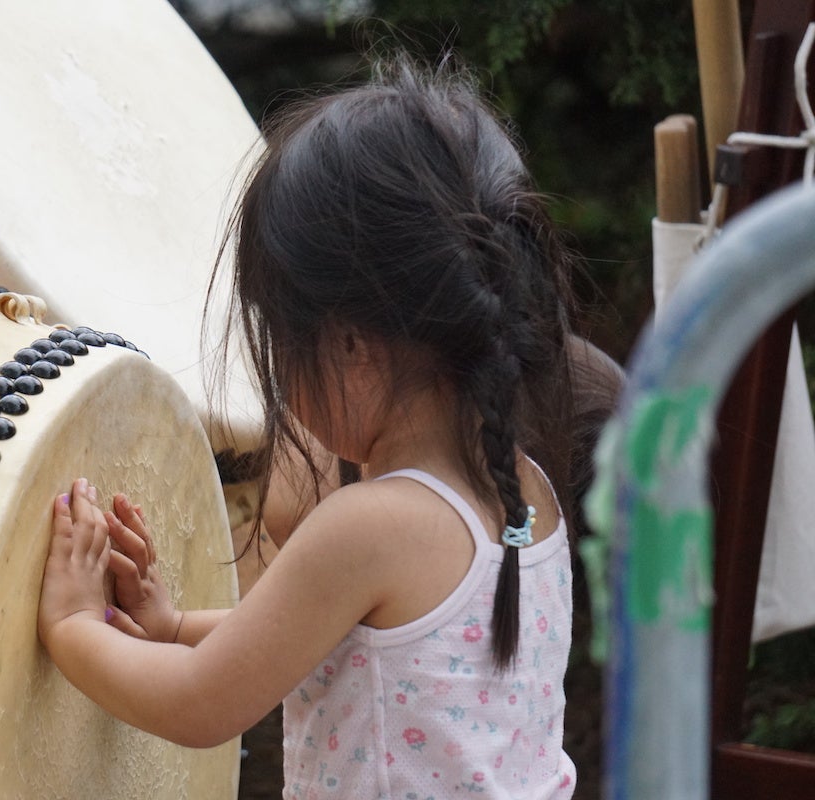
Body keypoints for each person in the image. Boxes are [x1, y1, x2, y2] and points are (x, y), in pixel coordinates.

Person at [38, 57, 580, 798]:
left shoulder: (369, 526)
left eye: (280, 340)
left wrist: (73, 627)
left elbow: (202, 703)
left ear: (351, 344)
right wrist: (170, 628)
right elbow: (338, 641)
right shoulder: (526, 495)